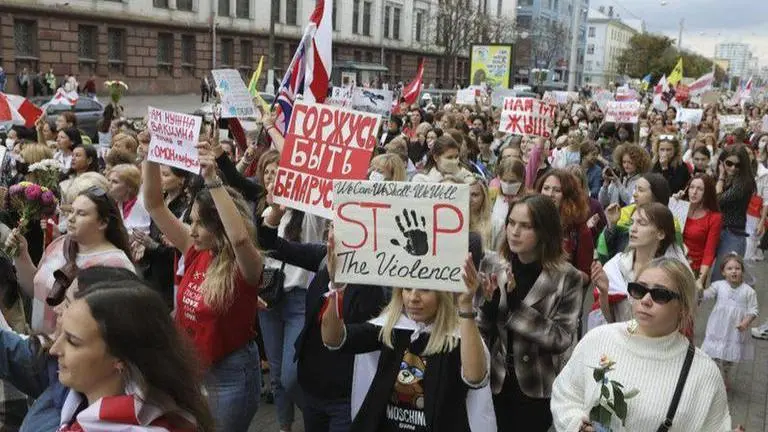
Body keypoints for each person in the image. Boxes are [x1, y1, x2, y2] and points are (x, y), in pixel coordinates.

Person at [143, 139, 263, 431]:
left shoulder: (246, 264)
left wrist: (213, 181)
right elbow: (155, 206)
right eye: (191, 221)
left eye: (200, 223)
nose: (191, 230)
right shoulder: (196, 249)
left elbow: (240, 239)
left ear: (220, 226)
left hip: (232, 375)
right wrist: (150, 154)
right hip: (194, 370)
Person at [321, 236, 493, 431]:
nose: (413, 298)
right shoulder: (391, 327)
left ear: (443, 293)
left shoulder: (459, 336)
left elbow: (475, 377)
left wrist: (465, 305)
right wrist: (336, 288)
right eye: (407, 288)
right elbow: (333, 339)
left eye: (425, 289)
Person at [551, 258, 733, 431]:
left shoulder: (703, 372)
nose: (645, 300)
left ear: (683, 307)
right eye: (639, 289)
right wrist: (576, 425)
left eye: (660, 295)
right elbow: (566, 393)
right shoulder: (599, 339)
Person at [50, 276, 214, 431]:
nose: (54, 349)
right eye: (61, 335)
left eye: (73, 341)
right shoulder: (76, 407)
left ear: (120, 359)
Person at [477, 194, 583, 431]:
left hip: (537, 387)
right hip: (494, 381)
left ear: (544, 231)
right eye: (511, 223)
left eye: (525, 226)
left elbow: (561, 339)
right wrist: (489, 307)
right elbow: (481, 330)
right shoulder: (494, 265)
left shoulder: (568, 277)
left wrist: (516, 307)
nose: (514, 232)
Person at [6, 183, 135, 334]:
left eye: (81, 214)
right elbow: (37, 289)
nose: (71, 218)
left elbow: (114, 325)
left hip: (76, 353)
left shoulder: (116, 265)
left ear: (103, 223)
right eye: (71, 211)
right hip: (40, 346)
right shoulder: (59, 245)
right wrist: (21, 254)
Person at [589, 203, 689, 331]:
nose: (632, 229)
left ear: (660, 234)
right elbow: (611, 322)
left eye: (641, 223)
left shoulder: (671, 275)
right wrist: (604, 292)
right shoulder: (616, 266)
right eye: (632, 222)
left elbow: (676, 324)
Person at [133, 165, 190, 308]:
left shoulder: (186, 209)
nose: (160, 179)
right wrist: (143, 243)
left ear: (181, 180)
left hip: (169, 278)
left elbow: (182, 251)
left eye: (165, 175)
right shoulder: (160, 200)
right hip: (151, 272)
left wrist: (153, 246)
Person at [701, 253, 758, 390]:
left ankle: (725, 375)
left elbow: (754, 310)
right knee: (713, 354)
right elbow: (705, 295)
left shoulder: (749, 291)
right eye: (730, 268)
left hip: (734, 331)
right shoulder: (718, 286)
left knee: (728, 358)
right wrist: (698, 288)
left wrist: (745, 322)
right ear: (723, 272)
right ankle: (713, 377)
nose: (734, 271)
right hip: (718, 328)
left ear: (742, 271)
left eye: (737, 268)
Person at [596, 172, 673, 262]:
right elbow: (609, 251)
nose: (634, 194)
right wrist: (612, 224)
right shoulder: (625, 213)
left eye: (640, 190)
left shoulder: (670, 223)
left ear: (656, 195)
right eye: (635, 189)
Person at [537, 169, 593, 283]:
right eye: (546, 188)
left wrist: (562, 270)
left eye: (557, 190)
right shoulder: (531, 220)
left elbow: (586, 277)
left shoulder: (579, 230)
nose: (549, 194)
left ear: (568, 196)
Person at [712, 145, 755, 281]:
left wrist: (720, 177)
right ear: (722, 162)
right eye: (729, 163)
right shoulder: (726, 178)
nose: (733, 168)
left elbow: (717, 200)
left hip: (733, 234)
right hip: (716, 230)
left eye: (738, 165)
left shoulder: (743, 183)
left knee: (720, 279)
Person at [680, 174, 722, 288]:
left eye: (700, 189)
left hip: (695, 268)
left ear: (707, 192)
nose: (694, 192)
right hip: (675, 263)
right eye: (692, 187)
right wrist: (674, 204)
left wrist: (700, 279)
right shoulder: (681, 207)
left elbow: (709, 251)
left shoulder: (714, 217)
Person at [598, 143, 651, 208]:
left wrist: (618, 183)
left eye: (630, 162)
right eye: (624, 162)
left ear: (638, 163)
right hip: (613, 216)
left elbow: (630, 201)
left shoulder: (640, 181)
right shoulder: (619, 179)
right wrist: (605, 184)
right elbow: (603, 201)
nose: (626, 165)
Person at [108, 164, 151, 236]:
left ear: (130, 186)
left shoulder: (142, 205)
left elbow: (139, 236)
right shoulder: (116, 202)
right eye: (108, 180)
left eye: (115, 182)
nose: (108, 184)